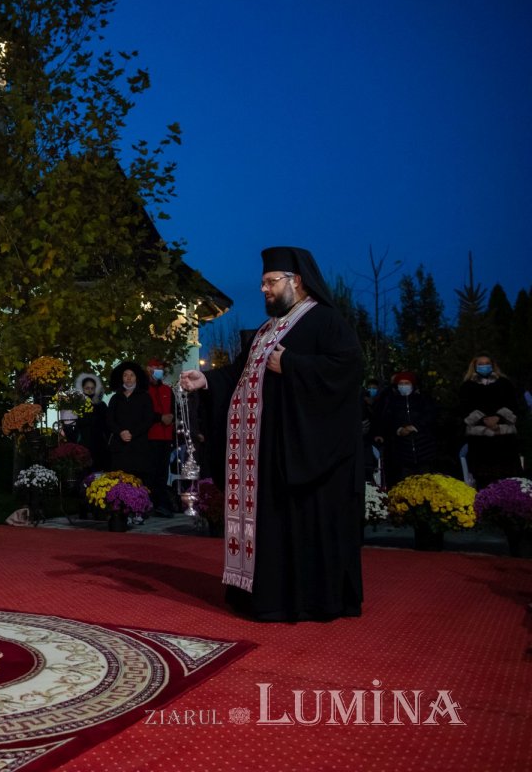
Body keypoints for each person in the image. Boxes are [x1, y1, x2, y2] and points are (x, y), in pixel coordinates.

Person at [180, 246, 363, 623]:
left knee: (295, 524)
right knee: (265, 525)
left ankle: (303, 600)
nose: (263, 289)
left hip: (297, 452)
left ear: (296, 282)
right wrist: (206, 379)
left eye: (270, 282)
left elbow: (346, 369)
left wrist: (293, 364)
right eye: (262, 282)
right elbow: (240, 374)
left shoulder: (324, 320)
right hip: (258, 455)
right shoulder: (266, 330)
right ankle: (259, 595)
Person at [459, 353, 523, 488]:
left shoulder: (505, 383)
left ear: (492, 365)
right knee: (485, 481)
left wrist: (498, 418)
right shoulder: (467, 386)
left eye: (486, 363)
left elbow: (515, 405)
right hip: (480, 442)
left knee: (509, 480)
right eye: (480, 364)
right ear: (475, 367)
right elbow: (463, 409)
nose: (484, 366)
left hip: (505, 439)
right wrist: (483, 420)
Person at [375, 371, 438, 485]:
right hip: (402, 452)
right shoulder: (391, 402)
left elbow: (431, 416)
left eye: (407, 383)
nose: (404, 385)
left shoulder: (422, 399)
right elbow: (387, 421)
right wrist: (399, 430)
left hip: (424, 449)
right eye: (401, 383)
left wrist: (414, 427)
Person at [106, 361, 153, 483]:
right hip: (119, 447)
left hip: (139, 447)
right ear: (121, 378)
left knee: (138, 482)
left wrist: (132, 433)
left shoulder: (145, 397)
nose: (128, 378)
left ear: (137, 377)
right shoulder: (115, 398)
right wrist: (120, 432)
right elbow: (110, 420)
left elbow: (148, 420)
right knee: (118, 481)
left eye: (132, 375)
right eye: (125, 375)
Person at [143, 358, 176, 517]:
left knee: (162, 473)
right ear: (148, 369)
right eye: (156, 367)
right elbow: (143, 413)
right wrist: (159, 418)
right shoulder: (143, 391)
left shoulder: (168, 390)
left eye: (161, 368)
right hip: (150, 436)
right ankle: (147, 503)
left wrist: (171, 418)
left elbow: (174, 409)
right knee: (150, 472)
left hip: (165, 437)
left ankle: (161, 504)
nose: (159, 370)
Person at [73, 372, 108, 471]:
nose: (90, 391)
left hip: (99, 445)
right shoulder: (76, 405)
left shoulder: (101, 405)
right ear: (82, 388)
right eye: (87, 388)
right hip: (83, 443)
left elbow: (106, 425)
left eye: (92, 388)